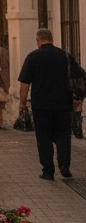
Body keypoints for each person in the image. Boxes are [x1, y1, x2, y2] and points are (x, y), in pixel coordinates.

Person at [18, 28, 77, 180]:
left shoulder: (33, 57)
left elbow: (24, 83)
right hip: (63, 103)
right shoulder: (65, 55)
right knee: (63, 134)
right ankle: (64, 163)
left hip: (41, 104)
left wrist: (22, 103)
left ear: (38, 41)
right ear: (52, 39)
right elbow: (78, 76)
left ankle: (48, 170)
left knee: (43, 137)